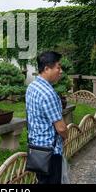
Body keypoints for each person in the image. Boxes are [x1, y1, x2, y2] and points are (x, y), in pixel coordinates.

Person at [26, 51, 68, 184]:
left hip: (36, 149)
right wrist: (66, 136)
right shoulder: (49, 93)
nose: (60, 71)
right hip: (50, 152)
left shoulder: (31, 87)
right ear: (46, 69)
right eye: (58, 67)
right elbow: (61, 128)